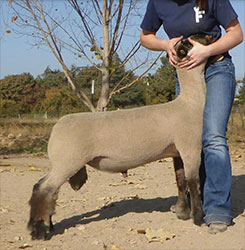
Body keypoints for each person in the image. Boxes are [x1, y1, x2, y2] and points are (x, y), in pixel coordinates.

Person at [140, 0, 243, 234]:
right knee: (184, 142)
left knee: (213, 136)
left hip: (216, 67)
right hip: (186, 72)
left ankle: (217, 209)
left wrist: (206, 50)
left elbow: (236, 34)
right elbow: (145, 36)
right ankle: (186, 201)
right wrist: (166, 45)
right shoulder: (158, 2)